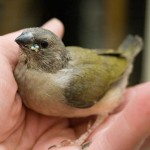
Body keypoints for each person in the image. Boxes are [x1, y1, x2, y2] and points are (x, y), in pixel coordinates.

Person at [0, 18, 150, 150]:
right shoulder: (19, 71)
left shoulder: (69, 85)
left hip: (113, 77)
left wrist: (82, 139)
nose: (27, 43)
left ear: (56, 54)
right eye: (28, 41)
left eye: (43, 45)